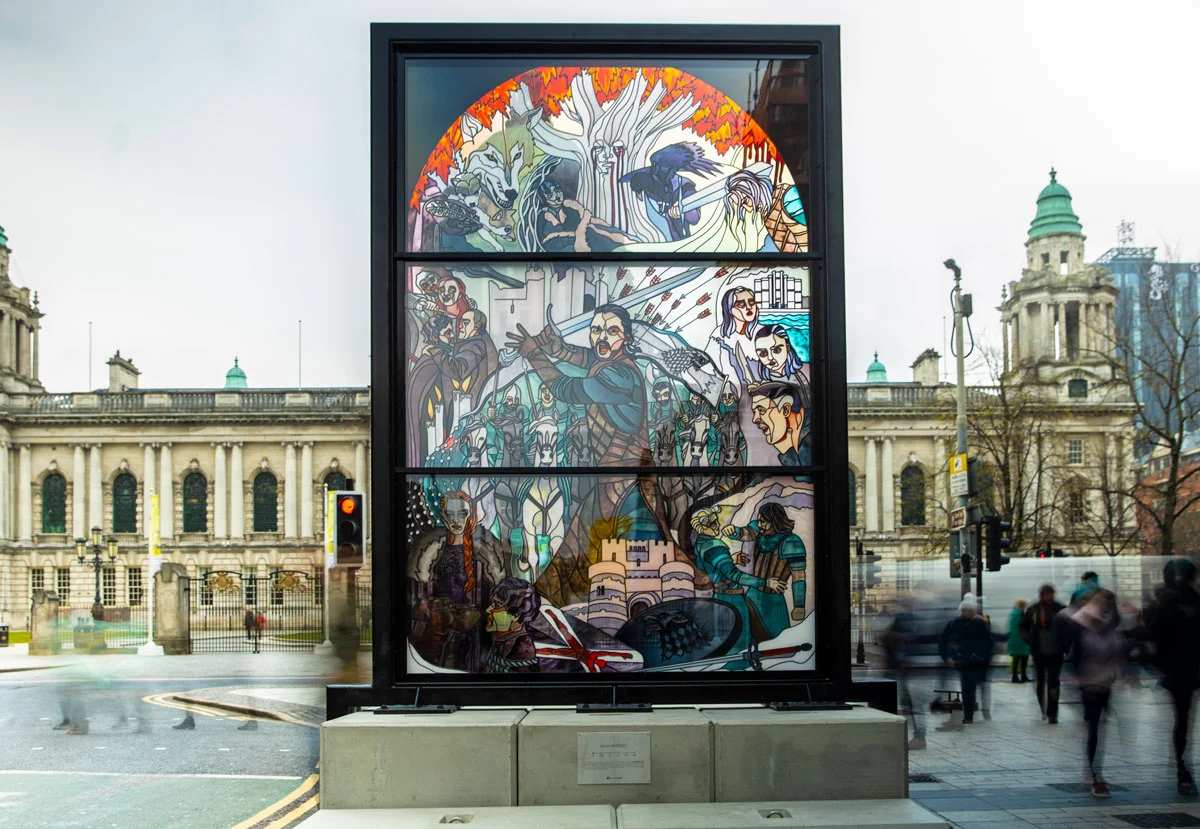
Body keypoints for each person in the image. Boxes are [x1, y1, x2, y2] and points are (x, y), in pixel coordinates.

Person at [1148, 558, 1200, 796]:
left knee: (1183, 719)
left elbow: (1155, 635)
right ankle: (1181, 766)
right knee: (1183, 719)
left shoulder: (1168, 602)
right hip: (1183, 668)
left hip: (1182, 668)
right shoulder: (1173, 602)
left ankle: (1181, 765)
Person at [1066, 589, 1123, 798]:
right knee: (1094, 728)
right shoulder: (1082, 628)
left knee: (1099, 728)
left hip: (1105, 684)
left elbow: (1119, 651)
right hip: (1089, 685)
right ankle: (1094, 772)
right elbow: (1074, 658)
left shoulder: (1112, 627)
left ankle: (1094, 769)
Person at [939, 594, 994, 724]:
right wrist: (947, 657)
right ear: (963, 611)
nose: (973, 612)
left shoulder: (979, 623)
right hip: (965, 661)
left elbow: (989, 642)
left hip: (977, 661)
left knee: (974, 687)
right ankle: (968, 714)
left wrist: (986, 657)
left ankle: (978, 711)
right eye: (970, 610)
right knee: (968, 688)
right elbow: (943, 640)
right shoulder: (956, 623)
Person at [1023, 584, 1068, 723]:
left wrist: (1065, 646)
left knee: (1054, 682)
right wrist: (1030, 641)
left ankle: (1052, 713)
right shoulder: (1033, 609)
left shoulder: (1060, 609)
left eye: (1051, 594)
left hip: (1056, 651)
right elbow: (1023, 627)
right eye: (1047, 594)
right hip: (1039, 651)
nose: (1049, 597)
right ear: (1041, 595)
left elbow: (1068, 628)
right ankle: (1042, 707)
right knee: (1040, 681)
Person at [1008, 599, 1031, 683]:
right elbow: (1025, 627)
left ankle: (1015, 676)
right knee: (1024, 658)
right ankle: (1022, 676)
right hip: (1022, 639)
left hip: (1014, 639)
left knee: (1016, 658)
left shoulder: (1012, 614)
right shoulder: (1021, 614)